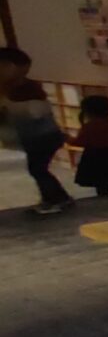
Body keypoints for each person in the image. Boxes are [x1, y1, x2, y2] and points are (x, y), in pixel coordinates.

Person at [0, 47, 73, 215]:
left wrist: (8, 108)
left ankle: (58, 199)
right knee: (37, 169)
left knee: (38, 169)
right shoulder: (11, 87)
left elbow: (36, 111)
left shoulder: (25, 87)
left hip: (43, 136)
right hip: (34, 137)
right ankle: (53, 198)